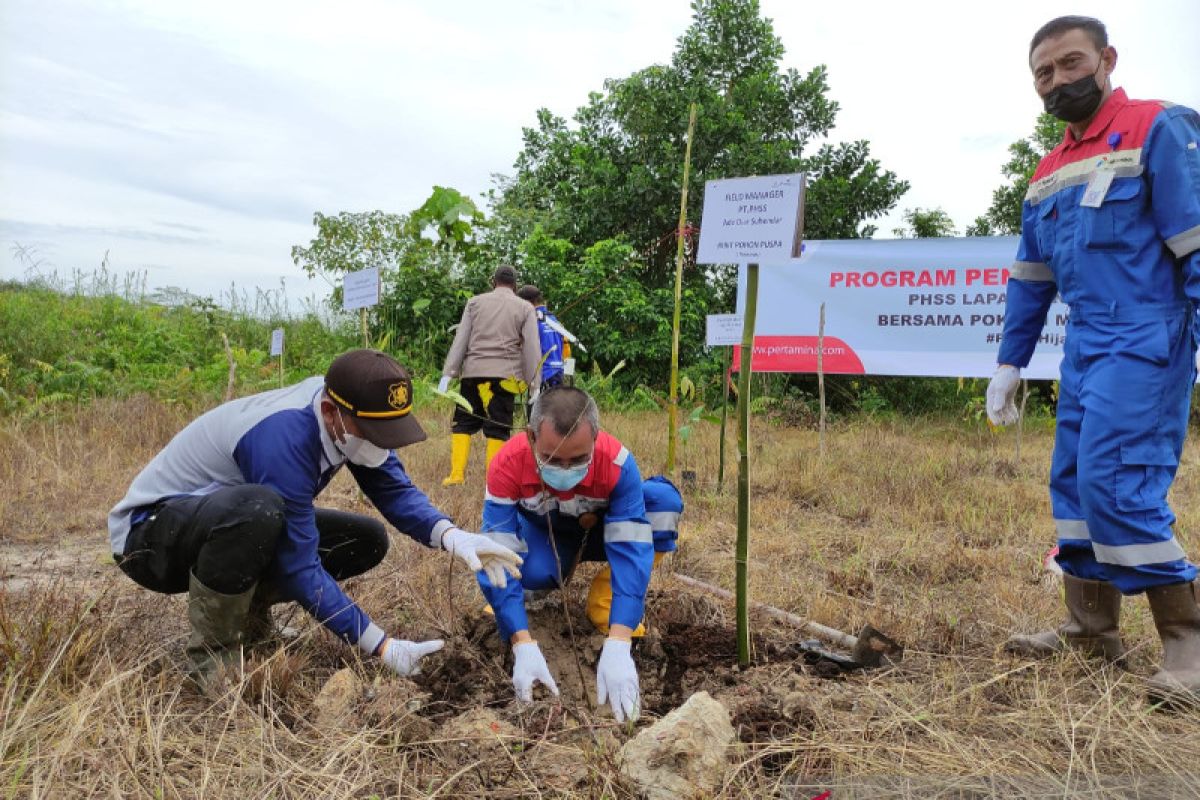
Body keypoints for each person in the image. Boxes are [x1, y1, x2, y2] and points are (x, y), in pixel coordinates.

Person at [987, 16, 1200, 701]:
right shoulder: (1046, 173)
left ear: (1106, 58)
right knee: (1075, 488)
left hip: (1146, 336)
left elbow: (1194, 240)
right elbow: (1031, 279)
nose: (1057, 81)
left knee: (1116, 482)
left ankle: (1189, 643)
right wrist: (1010, 362)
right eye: (1043, 73)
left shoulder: (1159, 127)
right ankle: (1090, 632)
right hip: (1084, 344)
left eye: (1070, 63)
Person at [109, 349, 523, 695]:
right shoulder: (283, 437)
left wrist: (453, 536)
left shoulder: (348, 416)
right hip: (150, 537)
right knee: (259, 512)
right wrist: (382, 647)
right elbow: (298, 562)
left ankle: (250, 622)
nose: (381, 444)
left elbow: (395, 491)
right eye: (374, 431)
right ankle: (213, 657)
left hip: (219, 523)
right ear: (331, 412)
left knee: (364, 540)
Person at [474, 386, 683, 722]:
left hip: (604, 532)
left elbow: (631, 545)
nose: (565, 471)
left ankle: (606, 597)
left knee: (663, 506)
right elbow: (495, 552)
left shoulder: (617, 464)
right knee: (529, 572)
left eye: (578, 459)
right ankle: (522, 597)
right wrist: (520, 640)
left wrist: (619, 638)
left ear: (596, 439)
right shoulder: (507, 464)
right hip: (549, 534)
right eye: (553, 460)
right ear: (530, 437)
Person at [438, 265, 542, 485]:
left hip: (473, 373)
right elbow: (532, 348)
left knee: (463, 421)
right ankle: (492, 479)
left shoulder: (474, 303)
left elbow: (461, 339)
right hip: (505, 377)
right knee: (499, 426)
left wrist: (448, 373)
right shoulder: (525, 307)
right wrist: (534, 382)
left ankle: (456, 474)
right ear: (515, 285)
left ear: (493, 281)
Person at [516, 284, 571, 388]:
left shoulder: (532, 321)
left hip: (543, 376)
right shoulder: (555, 321)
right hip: (558, 373)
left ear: (527, 303)